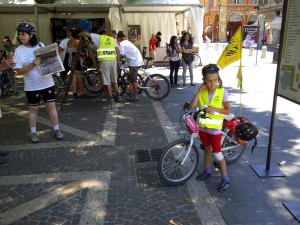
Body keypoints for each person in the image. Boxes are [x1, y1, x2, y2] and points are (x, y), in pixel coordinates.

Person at [13, 23, 64, 143]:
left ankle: (56, 129)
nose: (21, 36)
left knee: (51, 107)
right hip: (32, 86)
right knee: (33, 109)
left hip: (47, 83)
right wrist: (32, 65)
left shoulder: (41, 46)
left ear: (31, 35)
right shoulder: (19, 51)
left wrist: (55, 68)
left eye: (23, 34)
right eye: (19, 34)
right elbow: (19, 72)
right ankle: (33, 132)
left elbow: (50, 62)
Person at [189, 63, 231, 192]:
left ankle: (225, 178)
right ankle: (207, 171)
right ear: (204, 81)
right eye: (209, 81)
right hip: (203, 128)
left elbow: (227, 111)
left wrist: (214, 109)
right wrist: (199, 90)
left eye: (215, 80)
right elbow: (192, 106)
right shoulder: (202, 92)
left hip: (215, 129)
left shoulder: (222, 91)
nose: (213, 83)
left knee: (218, 153)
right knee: (207, 150)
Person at [80, 26, 121, 103]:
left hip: (105, 61)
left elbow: (85, 33)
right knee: (114, 79)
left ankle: (110, 97)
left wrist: (80, 33)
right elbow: (118, 51)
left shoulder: (98, 37)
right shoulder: (111, 39)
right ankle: (118, 96)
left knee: (106, 80)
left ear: (99, 32)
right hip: (113, 61)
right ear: (105, 32)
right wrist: (118, 61)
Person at [116, 31, 144, 101]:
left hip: (134, 63)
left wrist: (117, 61)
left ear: (119, 38)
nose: (117, 40)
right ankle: (131, 95)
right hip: (135, 61)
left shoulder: (122, 43)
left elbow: (121, 54)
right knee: (129, 79)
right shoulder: (127, 42)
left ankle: (136, 96)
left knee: (133, 80)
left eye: (117, 38)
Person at [66, 28, 85, 100]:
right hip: (77, 61)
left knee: (74, 77)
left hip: (70, 61)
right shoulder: (77, 42)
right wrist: (84, 54)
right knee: (80, 77)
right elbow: (79, 53)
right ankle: (82, 93)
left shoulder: (69, 42)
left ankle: (75, 92)